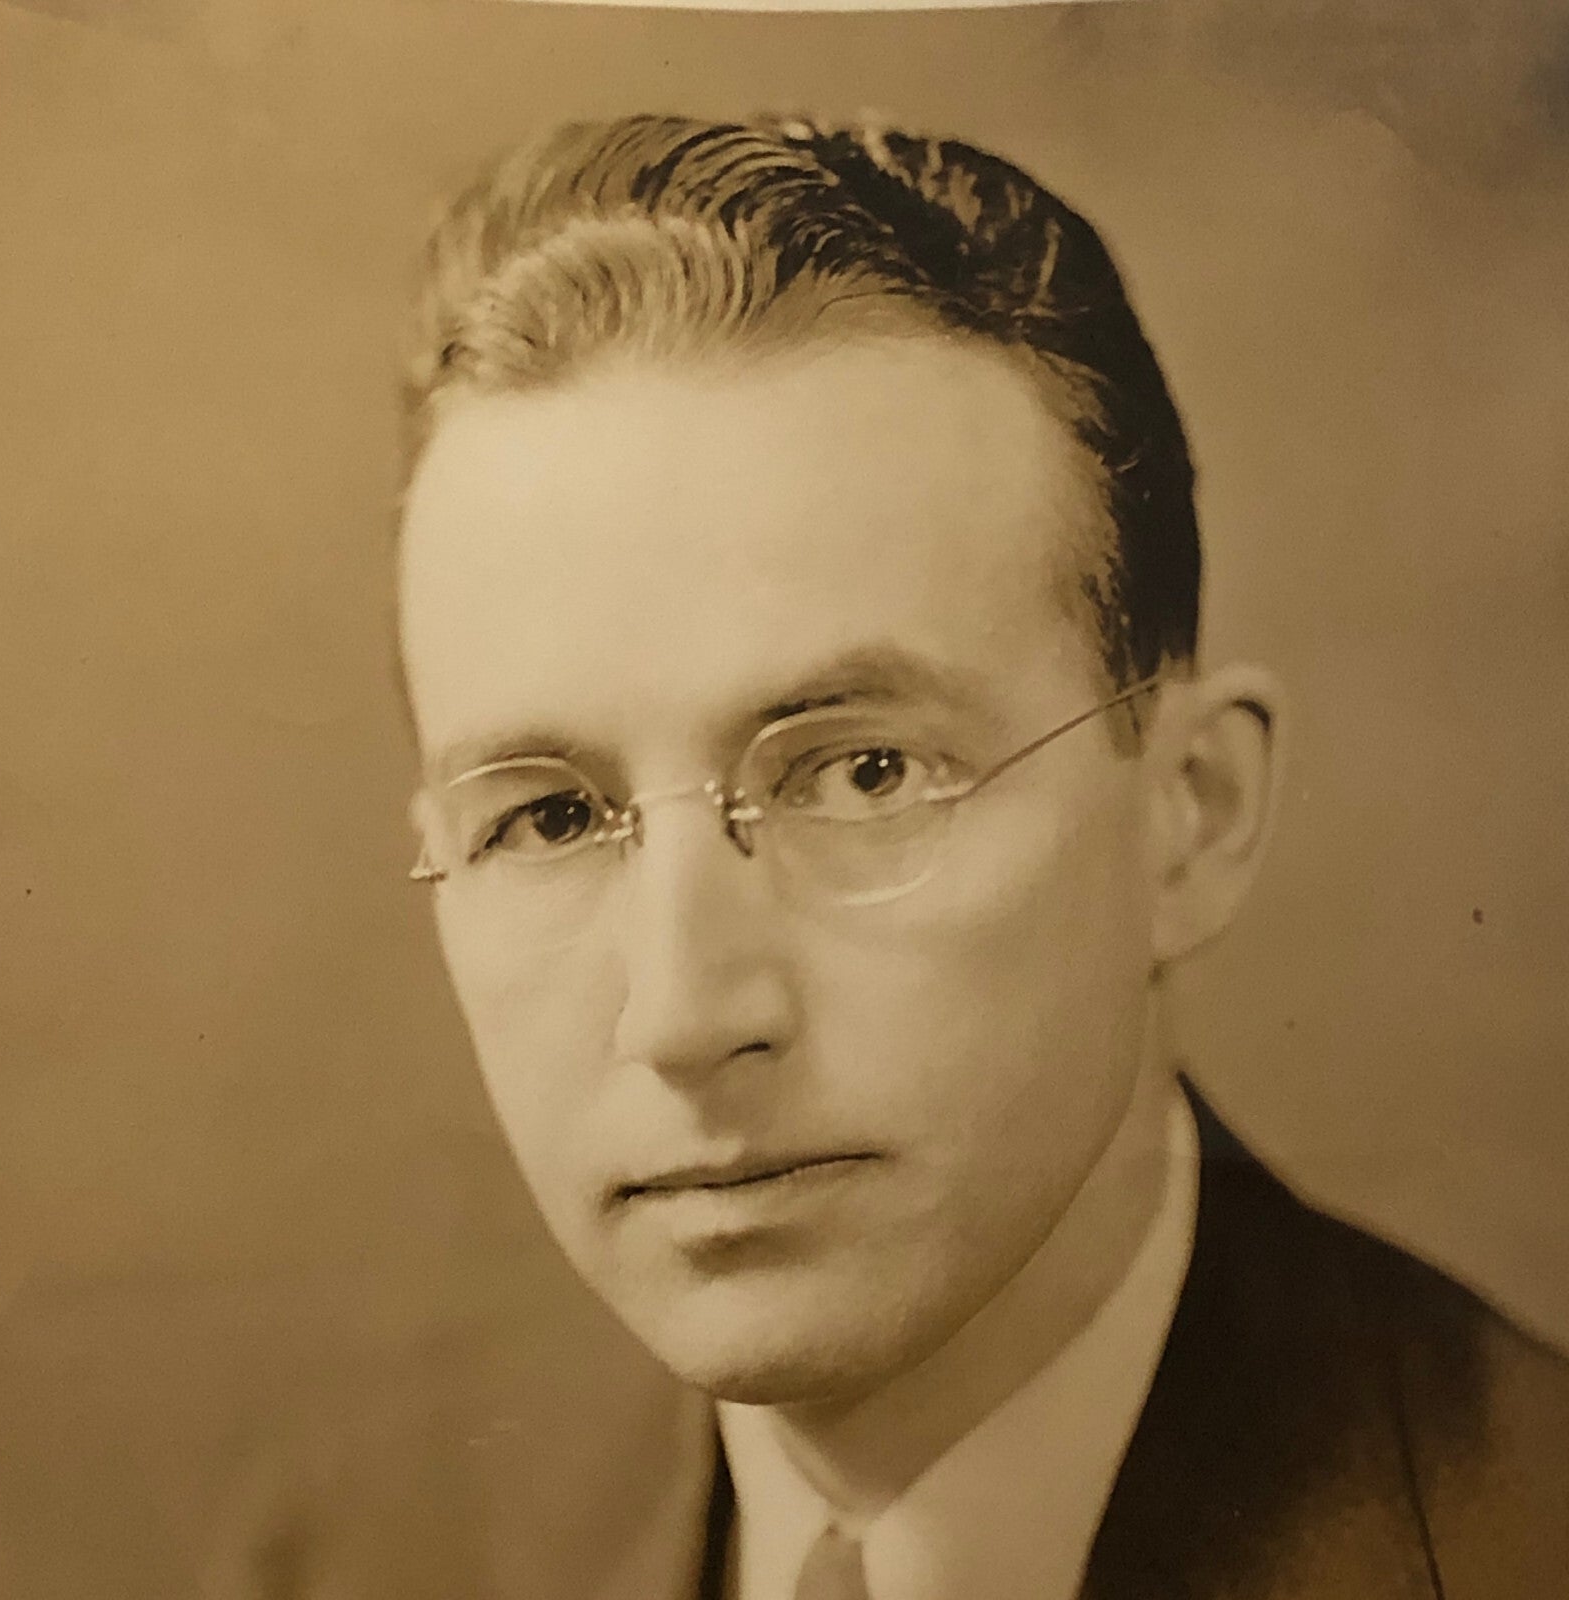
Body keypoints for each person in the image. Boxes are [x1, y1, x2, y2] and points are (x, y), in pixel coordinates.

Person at [226, 114, 1568, 1600]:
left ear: (1192, 811)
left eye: (863, 774)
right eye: (545, 819)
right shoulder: (345, 1568)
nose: (682, 1013)